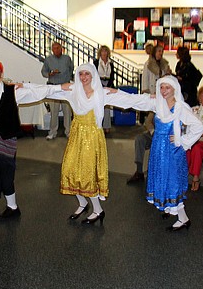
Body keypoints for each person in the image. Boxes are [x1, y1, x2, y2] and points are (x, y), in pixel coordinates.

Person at [0, 60, 67, 220]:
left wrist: (60, 87)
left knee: (5, 172)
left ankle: (12, 207)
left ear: (1, 74)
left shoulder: (13, 91)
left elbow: (41, 91)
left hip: (6, 137)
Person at [47, 63, 142, 224]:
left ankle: (98, 210)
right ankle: (83, 203)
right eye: (81, 74)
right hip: (77, 135)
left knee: (88, 174)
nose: (83, 77)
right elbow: (48, 90)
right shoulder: (73, 90)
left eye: (87, 74)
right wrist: (23, 88)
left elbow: (128, 99)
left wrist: (152, 98)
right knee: (69, 168)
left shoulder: (101, 93)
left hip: (92, 137)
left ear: (92, 76)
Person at [128, 77, 203, 231]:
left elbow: (198, 126)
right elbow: (134, 100)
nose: (163, 91)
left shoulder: (180, 107)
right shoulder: (159, 104)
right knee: (162, 179)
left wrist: (182, 140)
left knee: (173, 181)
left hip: (173, 151)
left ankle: (183, 219)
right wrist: (111, 93)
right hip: (158, 149)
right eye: (161, 87)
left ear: (174, 89)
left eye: (167, 88)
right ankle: (170, 208)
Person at [42, 41, 74, 140]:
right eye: (54, 48)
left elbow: (71, 69)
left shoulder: (67, 58)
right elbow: (44, 72)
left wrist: (68, 79)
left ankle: (68, 132)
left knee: (67, 111)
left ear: (62, 49)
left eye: (58, 48)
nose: (56, 50)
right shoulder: (48, 60)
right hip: (53, 88)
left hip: (65, 87)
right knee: (54, 112)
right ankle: (52, 132)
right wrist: (50, 74)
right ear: (52, 50)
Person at [93, 45, 115, 132]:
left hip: (108, 84)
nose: (104, 53)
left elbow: (112, 76)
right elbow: (94, 75)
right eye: (102, 51)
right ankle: (98, 125)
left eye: (106, 51)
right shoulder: (96, 62)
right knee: (98, 105)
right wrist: (100, 85)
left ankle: (107, 126)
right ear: (100, 53)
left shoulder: (111, 63)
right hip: (99, 83)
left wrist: (108, 86)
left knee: (107, 106)